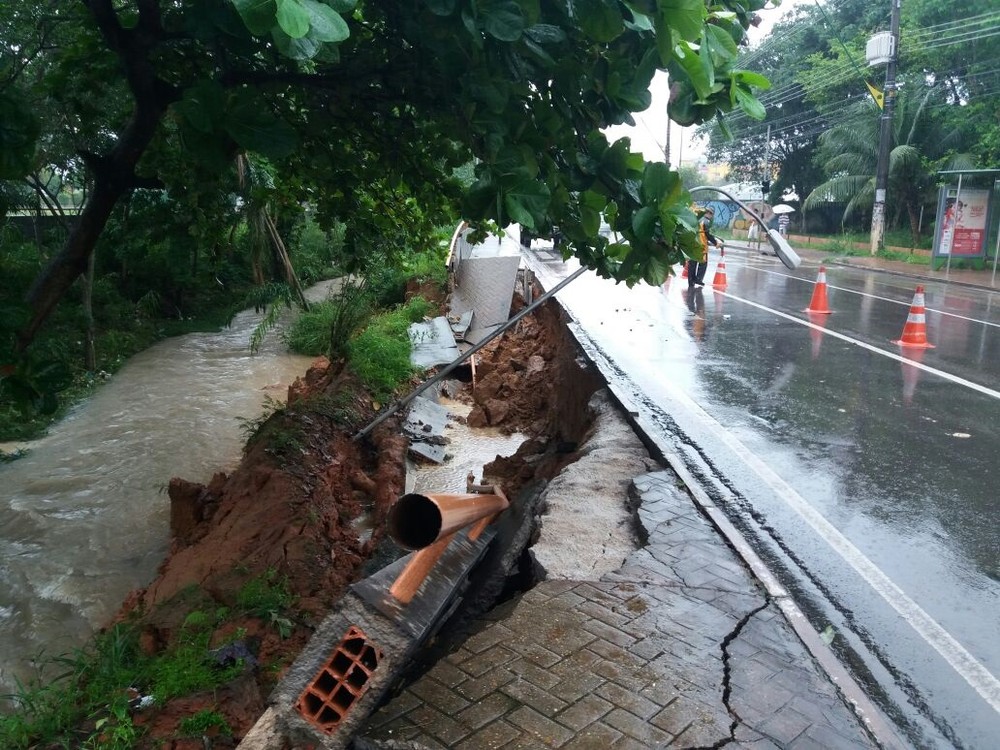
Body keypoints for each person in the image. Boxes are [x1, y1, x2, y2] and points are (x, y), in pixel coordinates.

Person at [689, 206, 723, 288]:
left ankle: (691, 282)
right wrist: (715, 243)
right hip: (702, 246)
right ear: (710, 214)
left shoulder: (697, 219)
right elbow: (708, 235)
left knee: (692, 264)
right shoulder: (706, 221)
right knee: (703, 263)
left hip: (693, 244)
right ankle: (698, 279)